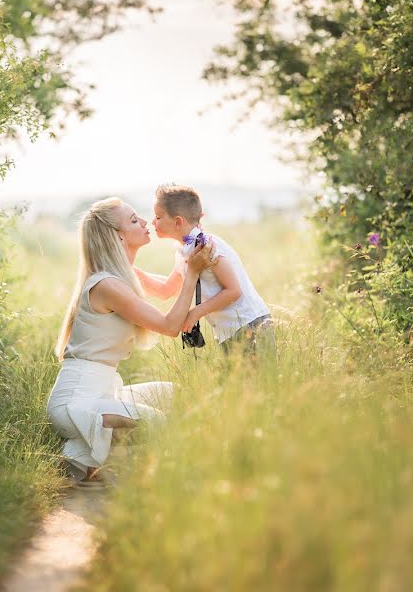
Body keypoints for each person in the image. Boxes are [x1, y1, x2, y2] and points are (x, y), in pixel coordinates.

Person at [47, 197, 217, 485]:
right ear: (119, 235)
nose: (145, 222)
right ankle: (98, 460)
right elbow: (170, 326)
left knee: (178, 395)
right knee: (157, 422)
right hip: (76, 402)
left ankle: (89, 457)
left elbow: (164, 291)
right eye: (134, 219)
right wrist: (192, 274)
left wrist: (189, 252)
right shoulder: (108, 285)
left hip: (104, 392)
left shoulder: (121, 276)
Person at [134, 184, 275, 355]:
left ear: (178, 221)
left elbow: (234, 291)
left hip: (250, 324)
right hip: (229, 331)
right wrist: (129, 269)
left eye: (158, 216)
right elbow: (166, 290)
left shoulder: (206, 246)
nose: (153, 222)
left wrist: (195, 313)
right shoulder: (184, 251)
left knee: (256, 380)